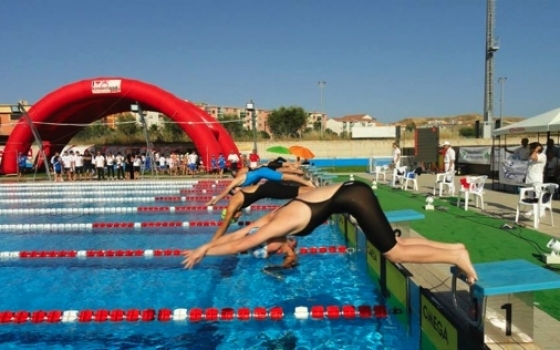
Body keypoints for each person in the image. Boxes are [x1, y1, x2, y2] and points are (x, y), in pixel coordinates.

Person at [183, 181, 478, 285]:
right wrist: (205, 247)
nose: (269, 251)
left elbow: (239, 245)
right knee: (394, 243)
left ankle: (456, 252)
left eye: (268, 250)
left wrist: (204, 251)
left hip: (354, 198)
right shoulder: (268, 221)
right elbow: (237, 237)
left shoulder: (274, 227)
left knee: (393, 253)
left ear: (270, 241)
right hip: (351, 193)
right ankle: (454, 251)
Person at [211, 181, 315, 241]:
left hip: (269, 190)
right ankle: (317, 189)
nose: (239, 217)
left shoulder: (232, 206)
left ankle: (323, 190)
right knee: (296, 191)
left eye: (236, 218)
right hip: (268, 189)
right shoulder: (234, 205)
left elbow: (224, 225)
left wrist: (212, 243)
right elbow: (227, 222)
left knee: (298, 192)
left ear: (233, 215)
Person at [206, 166, 315, 206]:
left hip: (263, 172)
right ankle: (306, 185)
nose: (239, 192)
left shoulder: (236, 181)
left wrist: (215, 200)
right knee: (285, 181)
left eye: (236, 191)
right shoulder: (243, 185)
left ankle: (307, 183)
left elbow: (226, 190)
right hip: (262, 173)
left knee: (286, 177)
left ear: (235, 189)